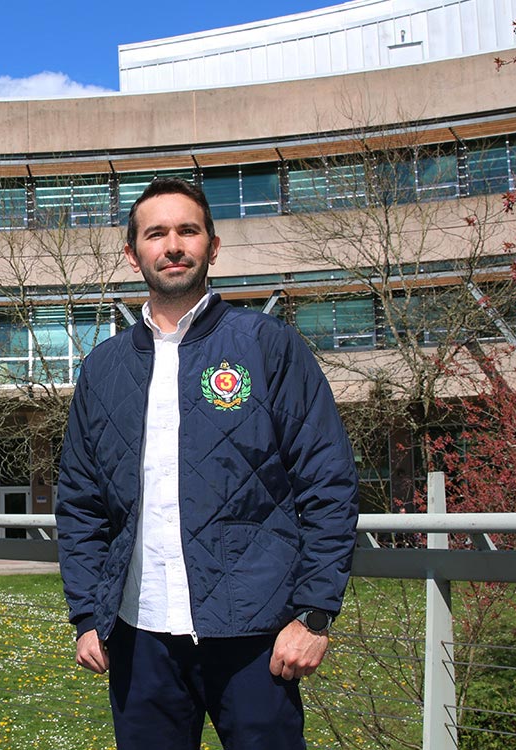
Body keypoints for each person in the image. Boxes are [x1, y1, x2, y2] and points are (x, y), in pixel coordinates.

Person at [56, 177, 359, 749]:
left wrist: (315, 613)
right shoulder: (103, 368)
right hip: (137, 632)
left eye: (187, 231)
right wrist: (86, 613)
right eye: (156, 233)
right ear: (133, 252)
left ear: (212, 247)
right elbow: (80, 501)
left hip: (257, 632)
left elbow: (328, 481)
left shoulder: (267, 344)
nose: (173, 245)